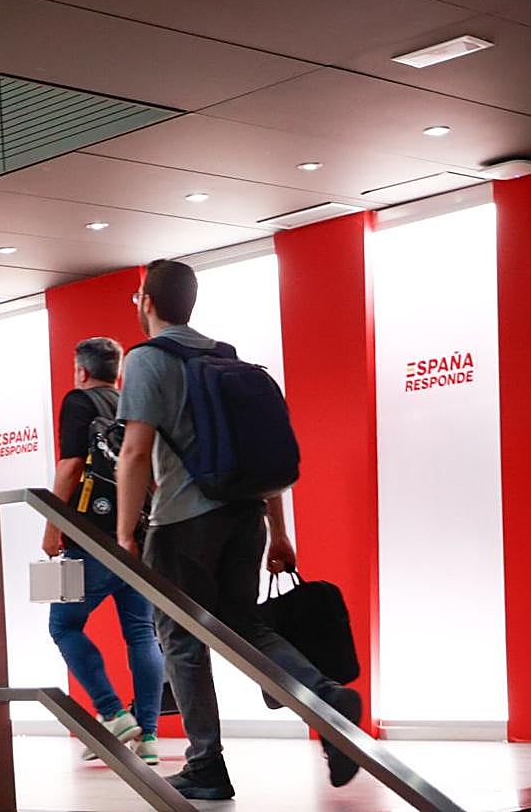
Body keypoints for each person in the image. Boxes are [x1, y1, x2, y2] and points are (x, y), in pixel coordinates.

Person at [113, 259, 363, 801]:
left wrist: (126, 535)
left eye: (138, 297)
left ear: (147, 302)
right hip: (245, 514)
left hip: (182, 523)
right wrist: (278, 530)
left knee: (181, 639)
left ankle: (206, 764)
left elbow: (133, 453)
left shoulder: (147, 360)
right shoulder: (225, 357)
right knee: (245, 626)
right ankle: (324, 696)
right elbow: (259, 455)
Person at [43, 337, 166, 765]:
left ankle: (113, 712)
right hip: (136, 537)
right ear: (117, 372)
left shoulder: (78, 401)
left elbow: (70, 466)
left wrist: (51, 525)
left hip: (86, 536)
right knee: (141, 633)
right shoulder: (132, 402)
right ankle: (148, 736)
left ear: (80, 370)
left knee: (62, 625)